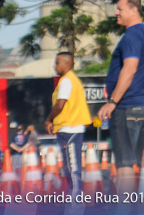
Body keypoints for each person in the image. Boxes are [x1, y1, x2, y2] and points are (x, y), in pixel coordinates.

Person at [97, 0, 144, 197]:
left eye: (120, 9)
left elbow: (130, 68)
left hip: (128, 107)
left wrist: (112, 101)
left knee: (125, 166)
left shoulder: (131, 35)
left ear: (134, 11)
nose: (116, 12)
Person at [45, 52, 91, 196]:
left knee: (72, 166)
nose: (54, 65)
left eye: (57, 62)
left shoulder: (66, 80)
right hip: (70, 128)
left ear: (66, 64)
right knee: (70, 165)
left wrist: (49, 119)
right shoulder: (72, 80)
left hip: (70, 128)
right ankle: (74, 195)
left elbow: (60, 105)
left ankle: (76, 198)